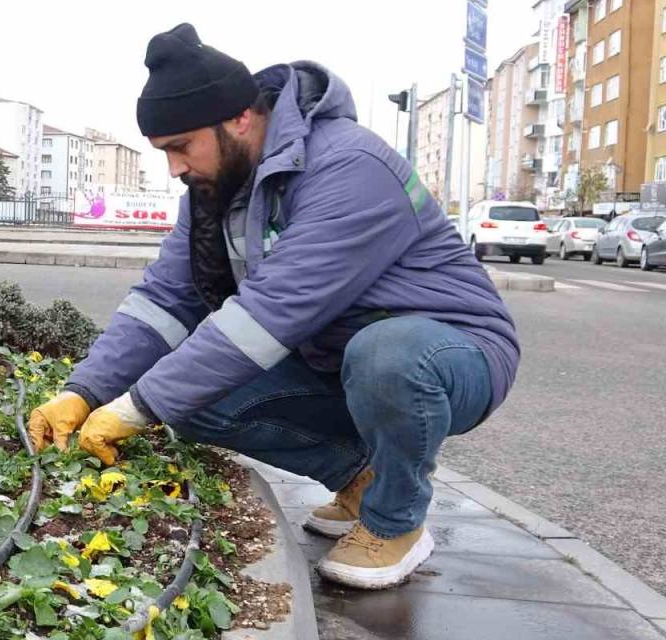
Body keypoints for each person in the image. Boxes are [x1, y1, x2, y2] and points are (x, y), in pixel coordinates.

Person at [28, 23, 519, 590]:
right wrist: (84, 390)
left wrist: (135, 407)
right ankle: (364, 477)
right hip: (335, 360)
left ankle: (396, 521)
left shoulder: (349, 166)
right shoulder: (216, 186)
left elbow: (269, 315)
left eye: (181, 148)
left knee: (386, 357)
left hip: (450, 352)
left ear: (238, 118)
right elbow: (164, 301)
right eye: (164, 153)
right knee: (190, 401)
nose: (175, 169)